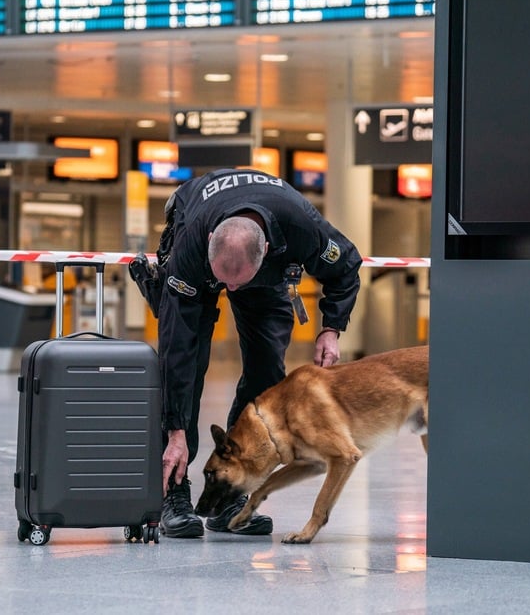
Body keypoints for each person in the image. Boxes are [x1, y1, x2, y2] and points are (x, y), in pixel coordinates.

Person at [129, 168, 362, 538]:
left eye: (238, 282)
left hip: (266, 272)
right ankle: (174, 492)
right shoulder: (192, 245)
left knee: (267, 371)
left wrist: (331, 329)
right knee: (186, 367)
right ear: (208, 242)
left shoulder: (303, 229)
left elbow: (347, 266)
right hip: (196, 249)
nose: (230, 289)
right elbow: (178, 352)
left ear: (265, 251)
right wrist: (175, 430)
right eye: (224, 281)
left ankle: (231, 494)